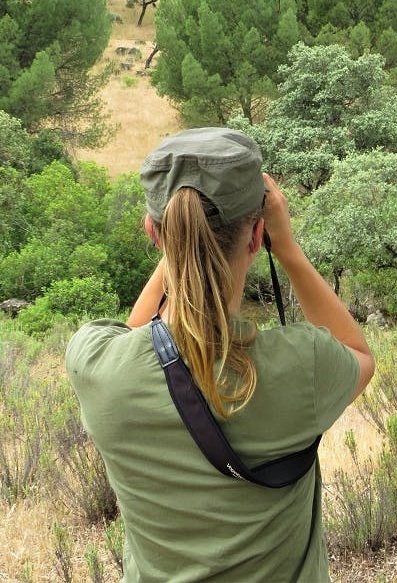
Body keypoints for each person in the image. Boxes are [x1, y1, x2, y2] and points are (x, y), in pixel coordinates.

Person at [66, 127, 375, 582]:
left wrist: (179, 243)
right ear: (256, 236)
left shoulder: (97, 368)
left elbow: (135, 340)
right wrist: (286, 248)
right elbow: (358, 353)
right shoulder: (303, 364)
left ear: (155, 234)